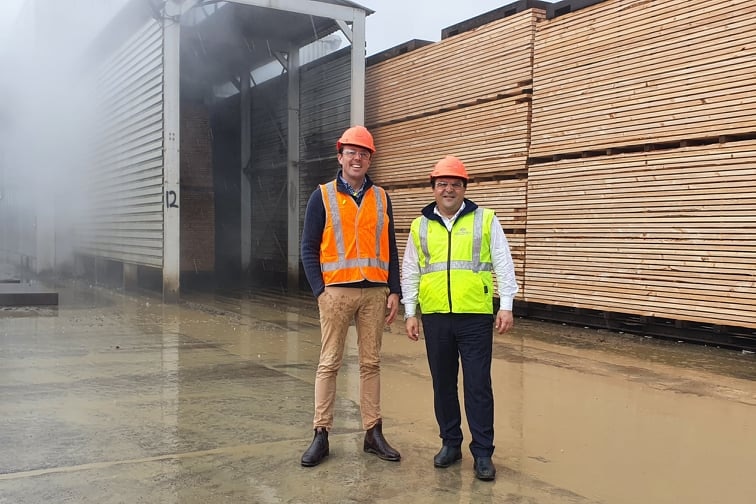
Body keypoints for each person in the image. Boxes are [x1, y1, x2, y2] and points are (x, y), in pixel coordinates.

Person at [401, 155, 518, 481]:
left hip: (474, 316)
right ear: (434, 188)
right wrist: (410, 312)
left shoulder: (485, 219)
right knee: (443, 384)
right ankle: (450, 443)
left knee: (479, 385)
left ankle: (482, 452)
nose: (449, 189)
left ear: (464, 188)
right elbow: (411, 269)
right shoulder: (420, 225)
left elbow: (503, 262)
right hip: (436, 315)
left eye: (455, 184)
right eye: (443, 184)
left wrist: (505, 304)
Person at [299, 125, 402, 467]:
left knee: (371, 363)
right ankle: (321, 434)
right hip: (336, 293)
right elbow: (308, 248)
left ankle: (372, 433)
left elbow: (390, 248)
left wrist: (395, 291)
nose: (358, 158)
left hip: (374, 292)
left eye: (364, 153)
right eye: (352, 152)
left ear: (370, 159)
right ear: (340, 156)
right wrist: (320, 291)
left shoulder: (382, 197)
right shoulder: (323, 196)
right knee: (329, 362)